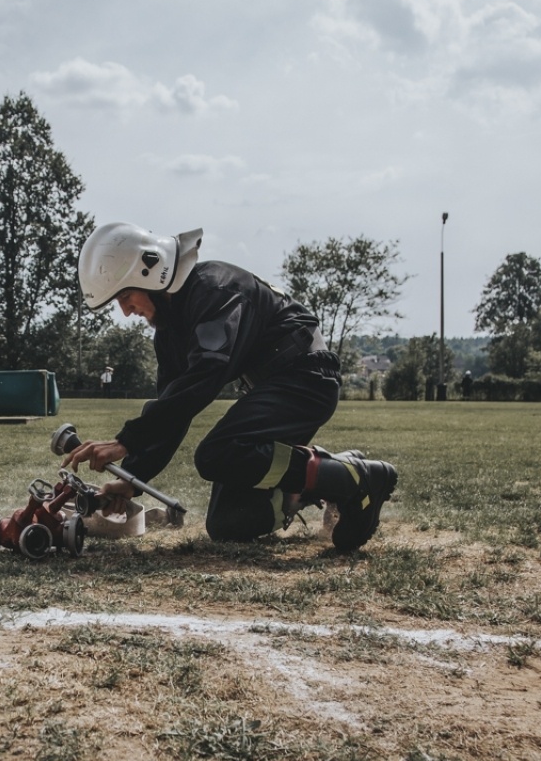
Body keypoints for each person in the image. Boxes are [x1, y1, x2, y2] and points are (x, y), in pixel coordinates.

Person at [61, 222, 397, 552]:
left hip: (306, 379)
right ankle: (327, 475)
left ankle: (358, 479)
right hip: (273, 386)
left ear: (151, 273)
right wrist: (132, 478)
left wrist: (125, 440)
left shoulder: (214, 289)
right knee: (229, 523)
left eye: (125, 295)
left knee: (216, 453)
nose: (126, 311)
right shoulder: (169, 332)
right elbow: (173, 406)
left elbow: (207, 374)